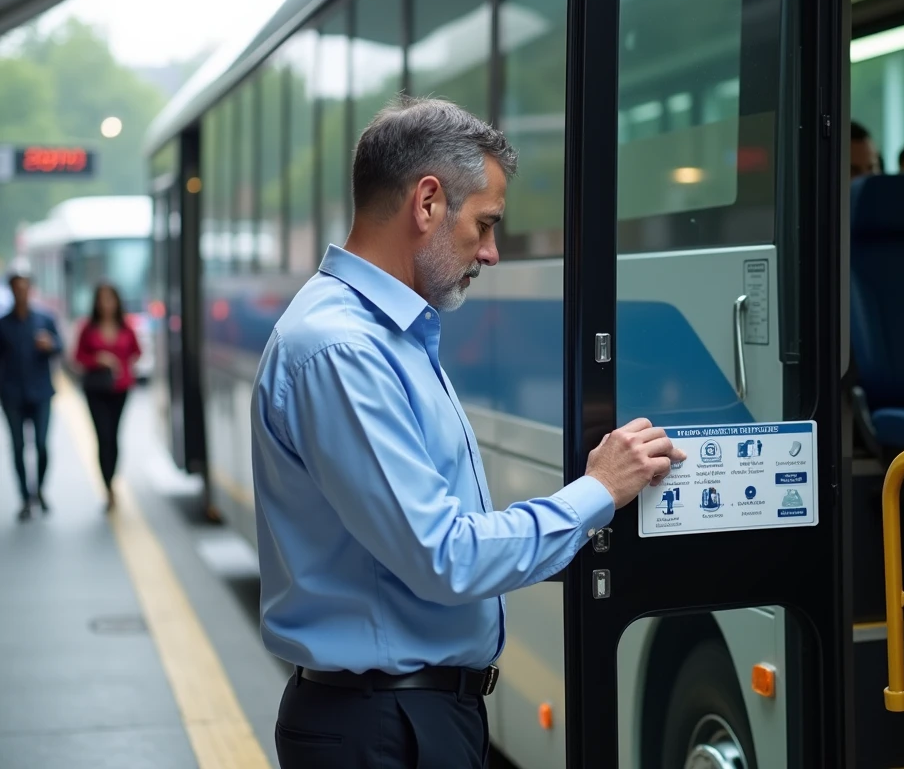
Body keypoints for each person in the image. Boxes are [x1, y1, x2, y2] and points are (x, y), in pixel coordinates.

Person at [250, 96, 686, 768]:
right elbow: (444, 555)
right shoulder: (344, 350)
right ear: (427, 203)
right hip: (384, 726)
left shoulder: (388, 336)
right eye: (484, 224)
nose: (491, 252)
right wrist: (598, 490)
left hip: (403, 716)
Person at [0, 260, 61, 520]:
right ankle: (25, 497)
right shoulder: (3, 324)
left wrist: (50, 345)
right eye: (16, 288)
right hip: (12, 393)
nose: (21, 292)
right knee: (17, 447)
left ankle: (40, 490)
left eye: (24, 287)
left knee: (42, 445)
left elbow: (60, 347)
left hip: (41, 392)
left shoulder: (44, 319)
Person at [74, 282, 142, 511]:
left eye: (109, 299)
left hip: (120, 389)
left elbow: (137, 351)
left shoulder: (126, 326)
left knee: (113, 436)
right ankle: (107, 486)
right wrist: (98, 359)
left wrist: (121, 364)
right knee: (103, 436)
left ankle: (112, 479)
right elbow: (78, 357)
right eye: (101, 299)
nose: (106, 304)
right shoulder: (87, 327)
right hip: (96, 390)